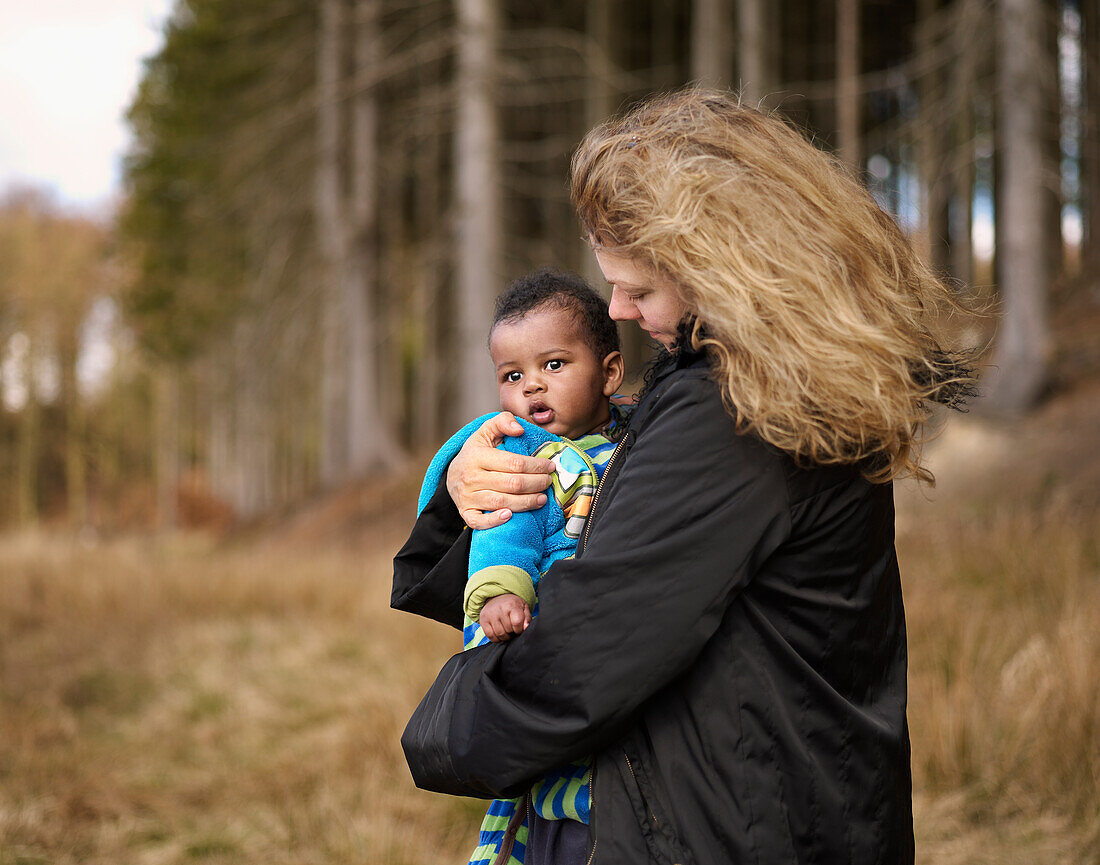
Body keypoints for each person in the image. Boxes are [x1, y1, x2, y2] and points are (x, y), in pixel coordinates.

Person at [393, 88, 977, 865]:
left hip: (727, 829)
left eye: (640, 287)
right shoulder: (761, 380)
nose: (620, 311)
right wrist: (476, 480)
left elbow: (590, 652)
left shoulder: (740, 411)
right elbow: (598, 506)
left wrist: (441, 727)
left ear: (725, 268)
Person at [410, 268, 626, 865]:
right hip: (536, 632)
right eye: (513, 376)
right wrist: (500, 598)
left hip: (617, 653)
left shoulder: (643, 438)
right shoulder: (524, 457)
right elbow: (504, 535)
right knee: (554, 787)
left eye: (554, 365)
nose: (532, 389)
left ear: (610, 372)